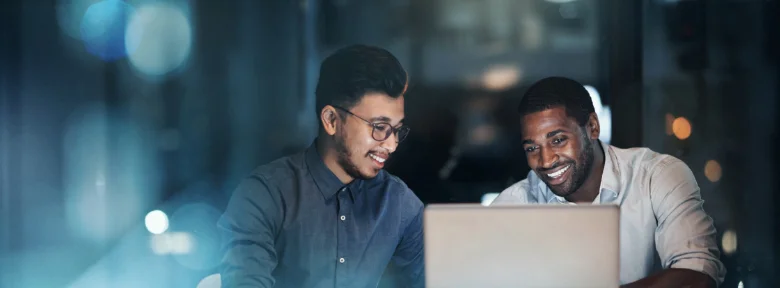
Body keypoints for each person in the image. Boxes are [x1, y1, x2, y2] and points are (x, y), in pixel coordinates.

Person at [218, 45, 424, 288]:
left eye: (397, 130)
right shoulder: (266, 195)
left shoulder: (399, 204)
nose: (391, 145)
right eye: (380, 127)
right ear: (331, 120)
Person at [491, 76, 725, 287]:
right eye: (532, 148)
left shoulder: (657, 176)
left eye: (558, 140)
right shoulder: (514, 205)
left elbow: (697, 276)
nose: (546, 160)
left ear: (592, 127)